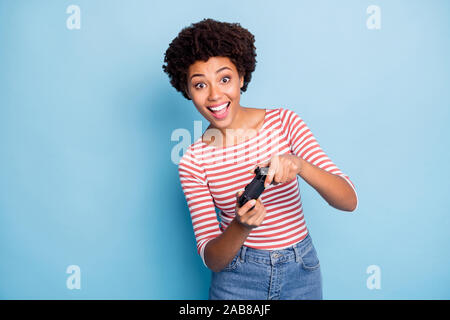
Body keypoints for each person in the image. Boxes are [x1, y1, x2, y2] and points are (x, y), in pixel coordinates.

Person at [162, 18, 358, 300]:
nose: (216, 94)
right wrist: (241, 226)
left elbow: (348, 200)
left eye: (225, 78)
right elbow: (212, 258)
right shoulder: (193, 161)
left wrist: (299, 165)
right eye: (200, 85)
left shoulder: (284, 123)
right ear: (188, 91)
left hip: (301, 271)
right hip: (236, 281)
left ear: (242, 77)